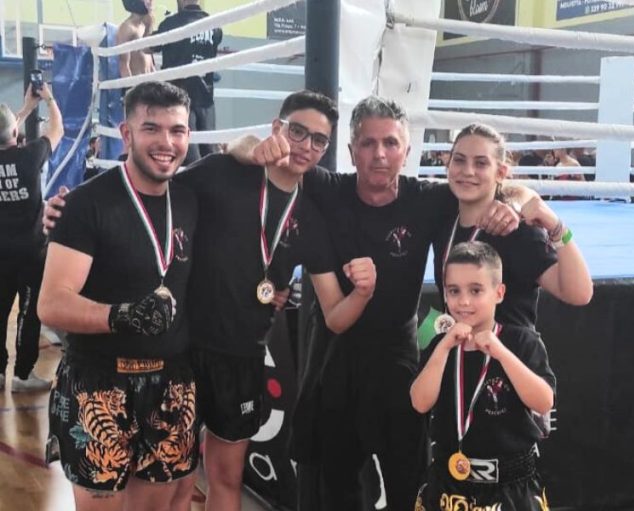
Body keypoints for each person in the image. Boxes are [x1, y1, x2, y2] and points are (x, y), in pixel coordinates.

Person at [44, 90, 377, 511]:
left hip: (231, 358)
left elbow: (334, 314)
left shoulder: (306, 217)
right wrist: (62, 212)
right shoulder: (219, 173)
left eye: (318, 139)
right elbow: (149, 189)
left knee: (212, 482)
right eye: (297, 131)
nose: (305, 145)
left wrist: (363, 292)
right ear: (277, 128)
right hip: (167, 358)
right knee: (171, 486)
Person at [242, 96, 528, 510]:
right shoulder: (328, 188)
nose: (380, 154)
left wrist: (517, 202)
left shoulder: (427, 199)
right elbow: (250, 152)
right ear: (351, 150)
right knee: (336, 486)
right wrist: (255, 146)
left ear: (406, 151)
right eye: (368, 143)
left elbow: (495, 184)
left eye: (391, 143)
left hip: (398, 358)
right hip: (335, 355)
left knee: (407, 484)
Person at [38, 81, 199, 511]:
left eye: (177, 130)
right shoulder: (85, 204)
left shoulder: (191, 197)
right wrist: (123, 316)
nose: (166, 142)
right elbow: (51, 303)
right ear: (126, 134)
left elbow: (246, 156)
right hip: (99, 381)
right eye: (152, 128)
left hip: (171, 382)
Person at [411, 241, 556, 510]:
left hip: (510, 486)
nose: (464, 301)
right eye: (454, 291)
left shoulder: (521, 342)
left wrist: (501, 353)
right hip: (449, 486)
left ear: (499, 293)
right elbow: (420, 403)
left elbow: (543, 402)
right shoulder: (439, 346)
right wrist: (444, 346)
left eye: (476, 290)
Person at [434, 123, 592, 329]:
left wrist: (556, 227)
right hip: (460, 347)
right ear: (448, 164)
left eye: (481, 163)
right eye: (459, 160)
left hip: (510, 348)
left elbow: (579, 294)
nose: (468, 171)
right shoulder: (442, 216)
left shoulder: (516, 229)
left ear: (500, 172)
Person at [0, 83, 63, 392]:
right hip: (31, 252)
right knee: (28, 313)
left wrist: (24, 110)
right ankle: (23, 376)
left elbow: (6, 135)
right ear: (15, 131)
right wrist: (47, 98)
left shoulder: (24, 152)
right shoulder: (30, 155)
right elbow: (58, 129)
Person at [154, 0, 223, 163]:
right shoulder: (214, 26)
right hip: (206, 98)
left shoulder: (170, 24)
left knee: (188, 155)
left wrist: (148, 21)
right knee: (209, 152)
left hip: (178, 99)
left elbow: (147, 47)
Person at [117, 0, 155, 78]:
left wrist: (148, 28)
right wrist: (131, 85)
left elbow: (150, 63)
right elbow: (124, 65)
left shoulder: (144, 25)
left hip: (149, 82)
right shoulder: (127, 28)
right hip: (137, 83)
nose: (151, 2)